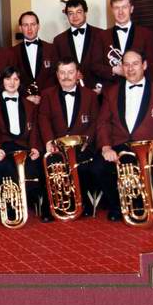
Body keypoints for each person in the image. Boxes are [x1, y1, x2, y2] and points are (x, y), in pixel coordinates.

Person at [92, 49, 153, 222]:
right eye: (126, 65)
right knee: (98, 167)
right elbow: (103, 122)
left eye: (135, 64)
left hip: (150, 150)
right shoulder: (111, 92)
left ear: (144, 65)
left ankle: (138, 203)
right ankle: (118, 205)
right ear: (122, 67)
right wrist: (106, 147)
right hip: (120, 147)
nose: (131, 69)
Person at [0, 66, 51, 223]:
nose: (12, 83)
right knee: (2, 166)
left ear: (20, 82)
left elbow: (34, 129)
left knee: (39, 165)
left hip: (24, 146)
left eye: (16, 79)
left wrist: (35, 148)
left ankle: (44, 207)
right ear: (2, 81)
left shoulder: (29, 105)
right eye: (8, 79)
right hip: (3, 146)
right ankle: (7, 207)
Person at [37, 58, 99, 217]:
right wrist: (49, 141)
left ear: (77, 74)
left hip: (81, 146)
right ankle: (50, 208)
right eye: (62, 73)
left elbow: (95, 122)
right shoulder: (47, 94)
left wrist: (87, 141)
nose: (66, 77)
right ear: (57, 75)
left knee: (83, 165)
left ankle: (81, 202)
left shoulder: (91, 95)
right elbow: (43, 118)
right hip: (56, 145)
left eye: (70, 72)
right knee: (49, 164)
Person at [92, 0, 153, 87]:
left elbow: (151, 67)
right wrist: (114, 70)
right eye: (116, 8)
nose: (121, 12)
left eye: (124, 7)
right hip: (111, 90)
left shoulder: (146, 34)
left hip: (139, 88)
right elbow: (95, 66)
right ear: (112, 10)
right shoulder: (101, 36)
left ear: (131, 9)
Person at [52, 0, 104, 93]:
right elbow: (56, 69)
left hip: (97, 90)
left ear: (85, 12)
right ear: (67, 15)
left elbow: (105, 64)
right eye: (71, 13)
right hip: (69, 91)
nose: (75, 16)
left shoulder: (101, 35)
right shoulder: (59, 40)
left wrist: (101, 88)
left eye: (79, 12)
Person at [11, 11, 58, 103]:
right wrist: (26, 96)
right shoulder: (12, 52)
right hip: (23, 100)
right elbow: (11, 78)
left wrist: (44, 96)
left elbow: (55, 75)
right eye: (25, 25)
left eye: (33, 24)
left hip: (48, 99)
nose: (29, 28)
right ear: (20, 28)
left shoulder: (51, 48)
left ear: (38, 26)